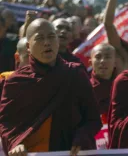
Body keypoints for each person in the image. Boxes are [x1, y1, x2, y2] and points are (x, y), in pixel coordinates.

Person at [0, 18, 102, 155]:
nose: (47, 43)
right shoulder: (16, 82)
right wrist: (15, 143)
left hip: (70, 152)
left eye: (51, 37)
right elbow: (6, 123)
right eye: (40, 38)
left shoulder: (75, 74)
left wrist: (82, 137)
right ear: (29, 47)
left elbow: (93, 118)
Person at [90, 43, 116, 124]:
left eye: (107, 57)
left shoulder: (123, 85)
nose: (102, 61)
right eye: (98, 57)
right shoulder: (86, 89)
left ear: (115, 62)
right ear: (90, 62)